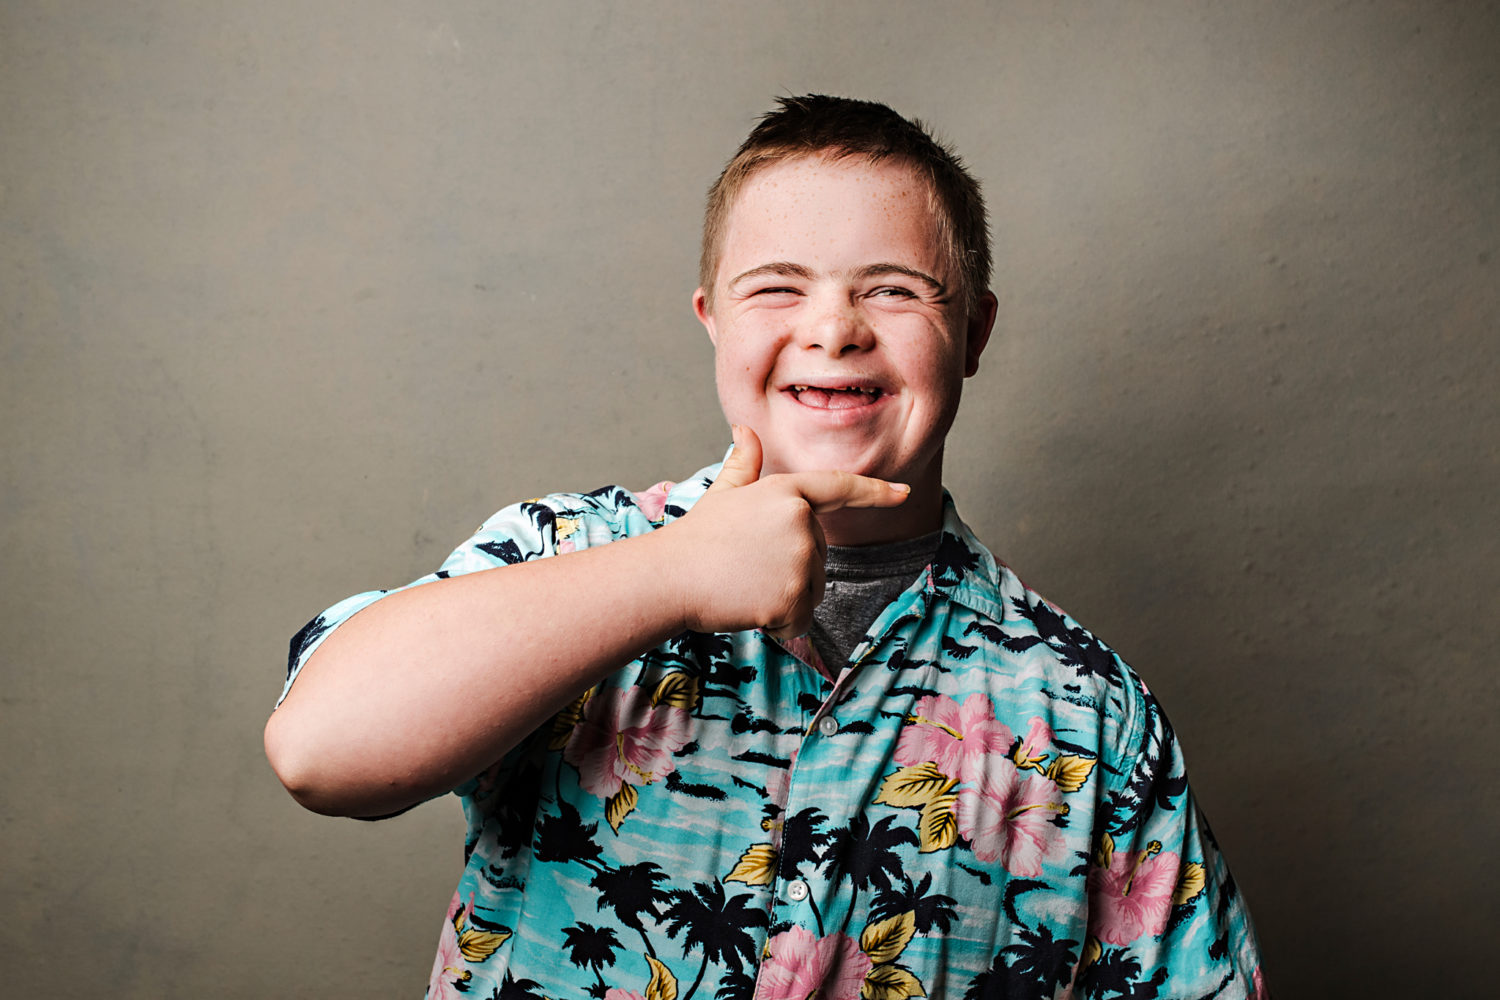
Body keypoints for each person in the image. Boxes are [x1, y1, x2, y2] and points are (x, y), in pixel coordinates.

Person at [265, 95, 1266, 1000]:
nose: (833, 329)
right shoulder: (569, 552)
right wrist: (671, 574)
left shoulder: (1087, 712)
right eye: (777, 289)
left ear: (973, 331)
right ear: (711, 320)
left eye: (894, 291)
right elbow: (321, 750)